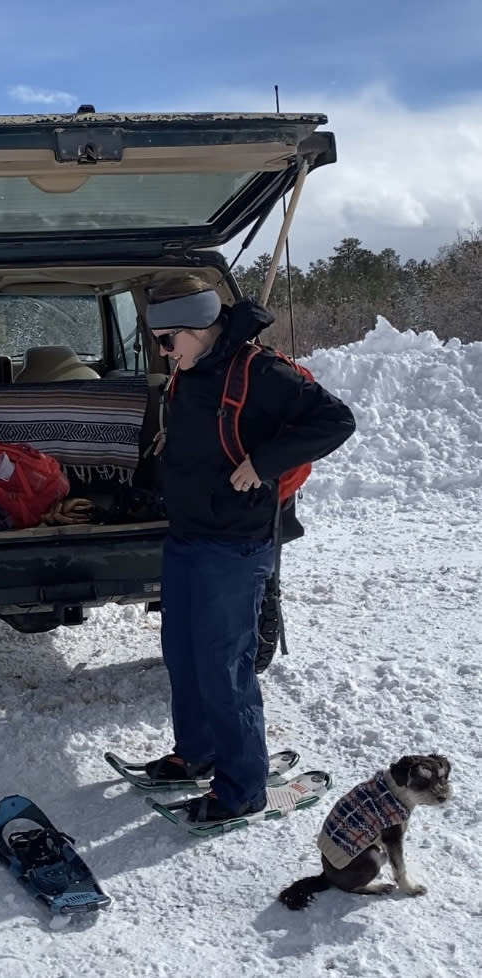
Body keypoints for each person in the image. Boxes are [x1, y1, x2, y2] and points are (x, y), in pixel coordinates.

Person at [143, 275, 356, 822]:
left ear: (196, 326)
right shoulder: (190, 369)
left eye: (167, 341)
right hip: (187, 535)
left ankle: (241, 788)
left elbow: (336, 421)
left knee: (223, 668)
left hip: (234, 547)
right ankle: (198, 752)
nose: (163, 352)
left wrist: (263, 463)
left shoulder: (260, 371)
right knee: (183, 655)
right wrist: (176, 439)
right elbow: (207, 423)